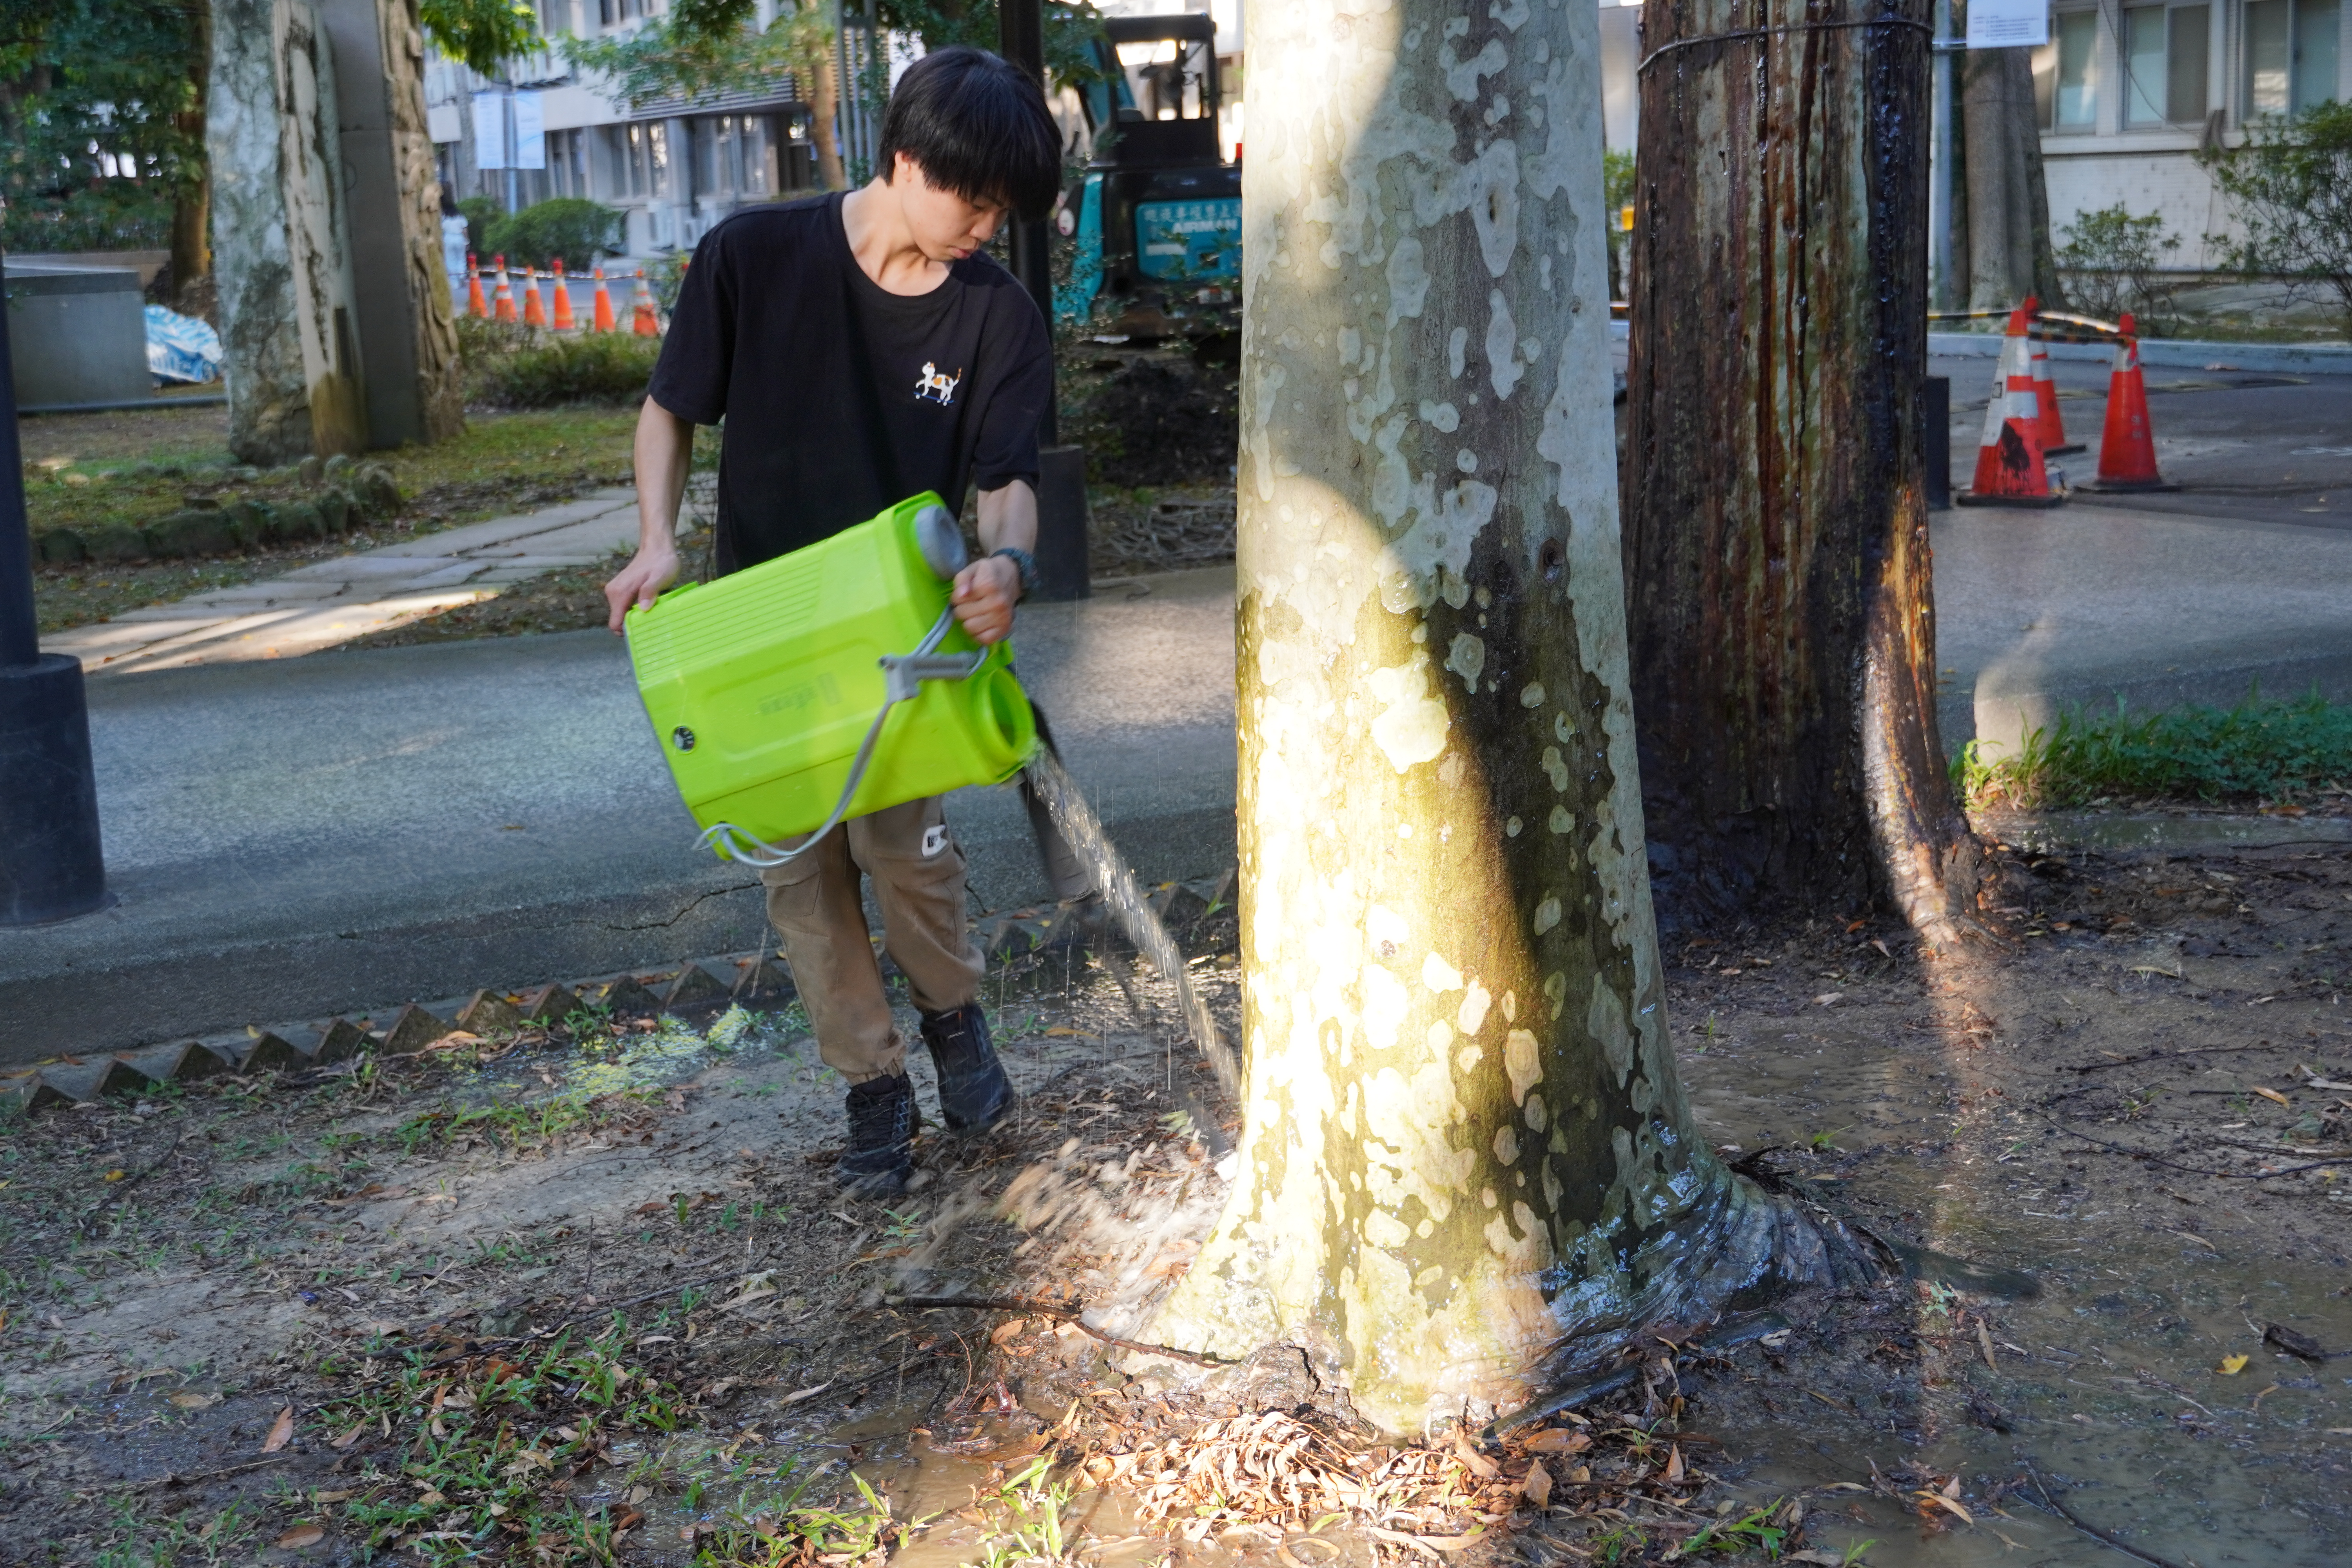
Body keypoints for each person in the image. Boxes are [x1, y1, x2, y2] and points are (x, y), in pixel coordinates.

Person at [603, 46, 1060, 1196]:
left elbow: (1007, 480)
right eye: (977, 197)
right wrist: (657, 540)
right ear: (905, 159)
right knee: (800, 882)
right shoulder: (752, 258)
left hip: (900, 638)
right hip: (760, 632)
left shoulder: (996, 317)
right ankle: (872, 1092)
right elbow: (668, 413)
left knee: (906, 854)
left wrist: (1008, 562)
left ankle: (955, 1025)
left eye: (1006, 207)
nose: (987, 226)